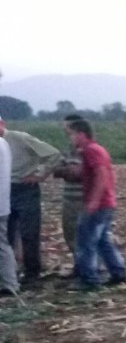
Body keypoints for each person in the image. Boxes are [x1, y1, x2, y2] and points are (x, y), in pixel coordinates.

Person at [65, 118, 126, 291]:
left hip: (98, 204)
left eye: (70, 134)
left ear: (80, 134)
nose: (69, 138)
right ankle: (118, 272)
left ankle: (89, 280)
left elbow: (101, 175)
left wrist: (93, 201)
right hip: (106, 203)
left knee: (86, 242)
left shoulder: (91, 151)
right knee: (103, 241)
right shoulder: (97, 149)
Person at [0, 115, 62, 287]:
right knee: (7, 235)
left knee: (29, 233)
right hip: (5, 190)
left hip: (25, 189)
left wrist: (40, 174)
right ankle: (9, 274)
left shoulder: (19, 138)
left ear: (2, 124)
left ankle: (32, 273)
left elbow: (53, 154)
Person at [51, 113, 85, 275]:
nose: (64, 130)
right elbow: (57, 170)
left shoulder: (88, 151)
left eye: (67, 128)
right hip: (69, 199)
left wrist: (67, 171)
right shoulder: (69, 151)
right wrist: (67, 171)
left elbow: (79, 174)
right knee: (69, 234)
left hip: (83, 200)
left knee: (86, 235)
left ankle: (88, 268)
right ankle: (80, 265)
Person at [0, 124, 19, 296]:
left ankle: (10, 283)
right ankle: (11, 280)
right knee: (3, 244)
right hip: (3, 203)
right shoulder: (4, 143)